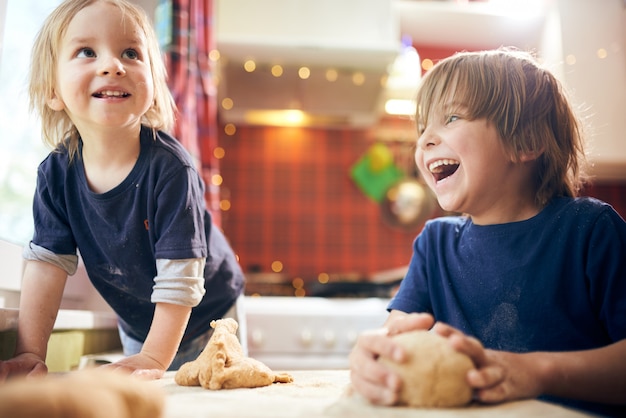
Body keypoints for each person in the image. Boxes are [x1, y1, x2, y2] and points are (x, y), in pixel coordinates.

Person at [349, 48, 626, 416]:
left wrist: (535, 372)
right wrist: (374, 355)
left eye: (451, 117)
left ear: (526, 141)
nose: (426, 140)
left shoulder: (590, 231)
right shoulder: (435, 245)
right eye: (422, 128)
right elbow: (396, 333)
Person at [0, 0, 245, 381]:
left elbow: (180, 277)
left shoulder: (171, 169)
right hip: (139, 325)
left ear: (152, 82)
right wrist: (30, 352)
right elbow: (47, 265)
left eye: (131, 53)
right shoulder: (55, 175)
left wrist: (153, 357)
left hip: (210, 316)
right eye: (86, 51)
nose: (113, 65)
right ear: (53, 90)